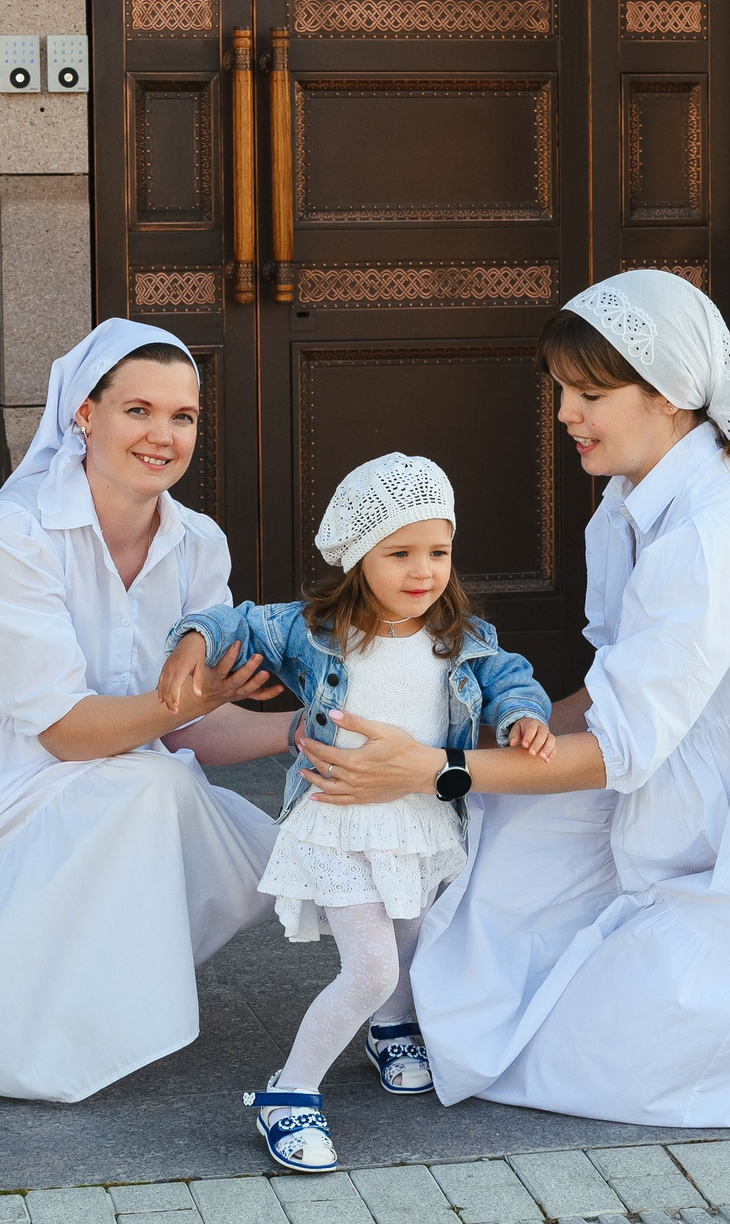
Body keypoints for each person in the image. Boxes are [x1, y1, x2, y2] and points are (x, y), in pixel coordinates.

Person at [297, 271, 730, 1128]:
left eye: (592, 393)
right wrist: (484, 739)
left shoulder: (713, 533)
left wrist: (434, 770)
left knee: (595, 1055)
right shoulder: (629, 501)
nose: (567, 412)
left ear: (674, 399)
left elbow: (618, 751)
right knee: (499, 853)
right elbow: (614, 690)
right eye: (564, 391)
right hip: (682, 753)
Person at [0, 319, 289, 1102]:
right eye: (138, 410)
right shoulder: (14, 536)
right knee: (156, 792)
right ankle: (33, 1040)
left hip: (115, 763)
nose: (161, 436)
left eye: (183, 416)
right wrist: (184, 704)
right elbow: (69, 732)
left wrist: (300, 730)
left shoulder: (200, 544)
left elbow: (193, 728)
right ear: (83, 415)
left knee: (232, 836)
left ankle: (79, 1009)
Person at [157, 454, 554, 1171]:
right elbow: (235, 621)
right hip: (338, 822)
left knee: (406, 936)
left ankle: (391, 1029)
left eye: (438, 551)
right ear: (357, 558)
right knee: (369, 967)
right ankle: (290, 1091)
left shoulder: (460, 639)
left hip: (417, 819)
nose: (422, 570)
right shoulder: (315, 631)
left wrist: (524, 715)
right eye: (399, 552)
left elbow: (510, 679)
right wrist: (195, 639)